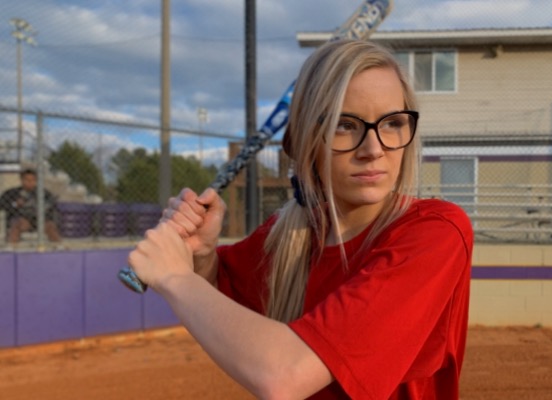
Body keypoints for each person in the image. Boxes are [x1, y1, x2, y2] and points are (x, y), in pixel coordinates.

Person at [128, 40, 473, 399]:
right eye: (345, 125)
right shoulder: (284, 236)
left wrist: (174, 277)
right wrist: (201, 255)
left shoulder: (434, 232)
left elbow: (285, 375)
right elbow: (220, 304)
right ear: (310, 140)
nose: (373, 149)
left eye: (393, 123)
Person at [0, 168, 61, 245]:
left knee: (50, 226)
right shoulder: (12, 193)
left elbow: (52, 205)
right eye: (26, 180)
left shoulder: (43, 193)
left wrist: (44, 209)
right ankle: (12, 248)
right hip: (23, 219)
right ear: (21, 180)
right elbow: (2, 205)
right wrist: (15, 204)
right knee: (18, 224)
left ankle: (58, 247)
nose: (29, 182)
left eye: (32, 180)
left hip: (40, 220)